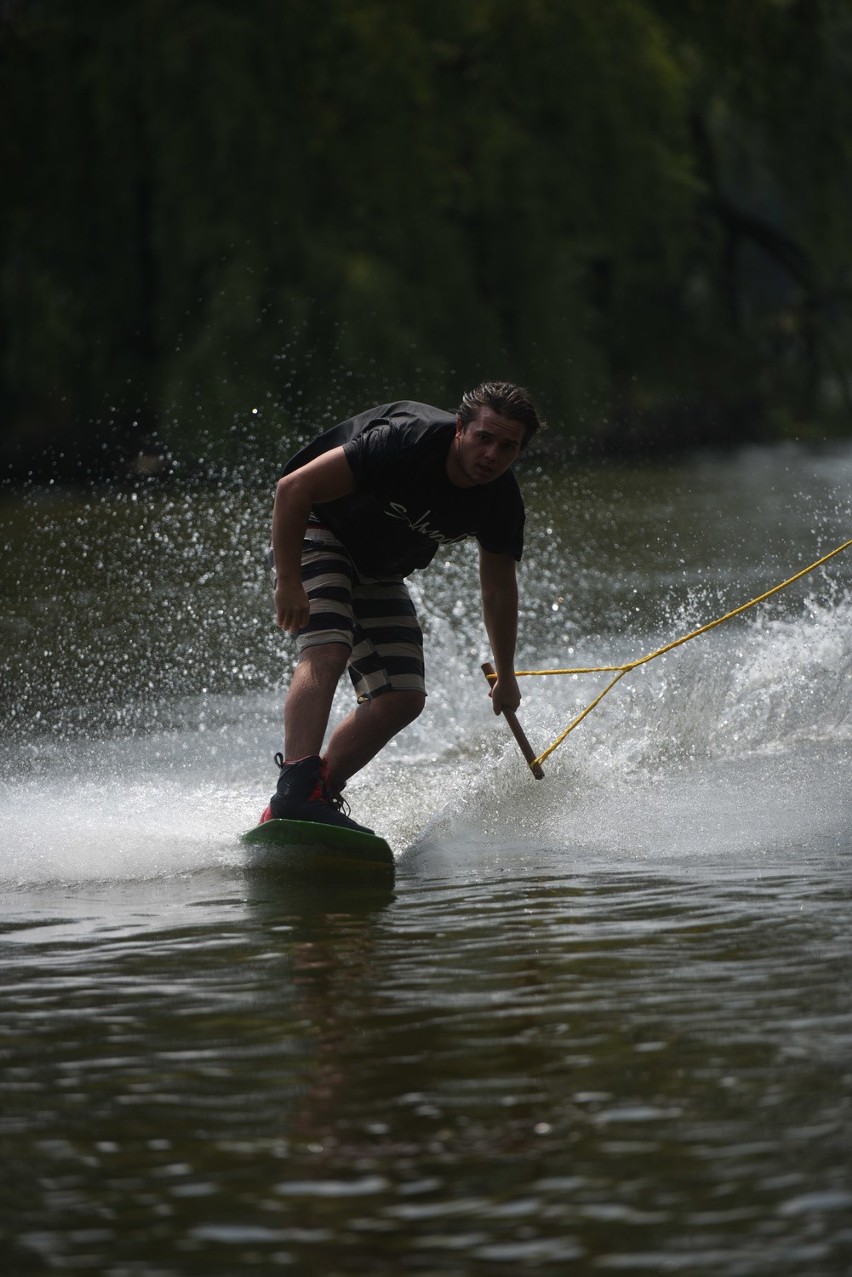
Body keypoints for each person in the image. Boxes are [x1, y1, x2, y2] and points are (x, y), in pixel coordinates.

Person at [260, 380, 544, 832]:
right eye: (483, 438)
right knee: (329, 647)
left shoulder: (500, 501)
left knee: (402, 698)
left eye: (507, 447)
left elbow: (498, 590)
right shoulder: (408, 439)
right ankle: (295, 791)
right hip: (317, 528)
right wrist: (289, 582)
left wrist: (507, 675)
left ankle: (315, 800)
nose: (491, 454)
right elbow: (293, 488)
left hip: (380, 569)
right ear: (459, 430)